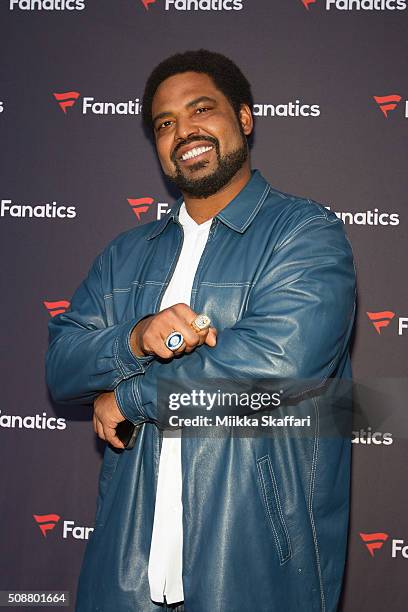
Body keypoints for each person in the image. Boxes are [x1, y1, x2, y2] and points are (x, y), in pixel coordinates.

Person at [45, 49, 356, 612]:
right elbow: (62, 364)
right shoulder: (123, 255)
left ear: (243, 118)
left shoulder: (305, 233)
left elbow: (276, 367)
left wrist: (133, 396)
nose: (183, 130)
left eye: (201, 109)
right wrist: (136, 337)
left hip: (257, 573)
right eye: (164, 123)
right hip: (126, 576)